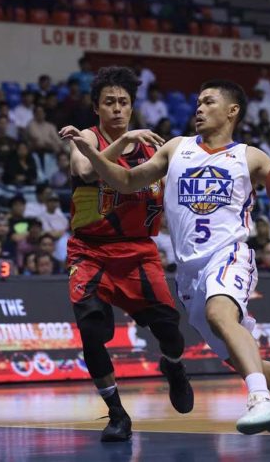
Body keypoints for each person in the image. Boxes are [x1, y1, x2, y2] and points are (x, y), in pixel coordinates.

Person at [63, 78, 270, 436]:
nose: (199, 108)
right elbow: (126, 182)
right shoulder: (176, 148)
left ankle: (259, 400)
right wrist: (93, 153)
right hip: (189, 273)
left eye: (208, 102)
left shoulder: (250, 156)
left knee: (219, 312)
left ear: (232, 111)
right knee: (246, 361)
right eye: (197, 102)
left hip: (229, 256)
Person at [57, 66, 193, 443]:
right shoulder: (86, 138)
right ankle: (117, 413)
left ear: (132, 106)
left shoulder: (154, 147)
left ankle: (175, 367)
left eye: (124, 102)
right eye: (109, 103)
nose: (117, 109)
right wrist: (122, 141)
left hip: (139, 253)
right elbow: (85, 171)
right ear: (96, 107)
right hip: (91, 252)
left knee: (171, 333)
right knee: (91, 332)